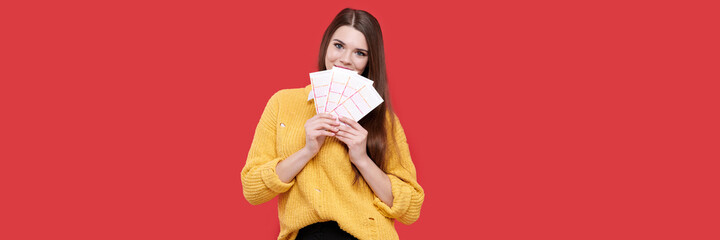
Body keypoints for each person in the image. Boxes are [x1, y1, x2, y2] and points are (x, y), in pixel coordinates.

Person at [241, 8, 424, 240]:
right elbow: (252, 189)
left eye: (359, 53)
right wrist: (308, 150)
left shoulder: (382, 119)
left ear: (370, 60)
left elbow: (410, 209)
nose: (345, 59)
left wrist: (361, 158)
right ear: (326, 45)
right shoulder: (282, 104)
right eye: (338, 46)